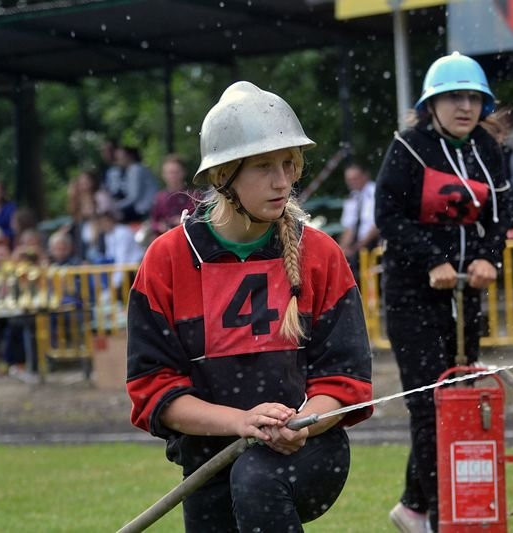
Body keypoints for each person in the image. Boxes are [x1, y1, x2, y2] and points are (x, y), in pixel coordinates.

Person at [126, 81, 373, 533]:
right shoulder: (166, 260)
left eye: (288, 164)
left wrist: (301, 422)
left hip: (307, 448)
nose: (283, 181)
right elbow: (153, 390)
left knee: (256, 478)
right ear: (223, 176)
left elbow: (347, 378)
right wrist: (242, 422)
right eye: (263, 166)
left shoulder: (320, 254)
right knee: (239, 484)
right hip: (209, 457)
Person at [375, 51, 509, 533]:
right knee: (429, 402)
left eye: (473, 97)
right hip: (413, 295)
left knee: (457, 399)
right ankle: (436, 514)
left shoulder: (488, 150)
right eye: (453, 97)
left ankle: (413, 506)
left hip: (465, 295)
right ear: (431, 103)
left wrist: (486, 259)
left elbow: (499, 217)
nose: (465, 107)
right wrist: (432, 260)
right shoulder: (408, 148)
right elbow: (388, 217)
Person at [338, 163, 378, 279]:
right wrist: (341, 250)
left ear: (365, 176)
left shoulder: (376, 192)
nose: (351, 182)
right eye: (349, 179)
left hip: (373, 242)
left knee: (356, 260)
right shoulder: (352, 198)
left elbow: (376, 226)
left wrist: (357, 247)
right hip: (359, 245)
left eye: (355, 178)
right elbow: (349, 228)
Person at [106, 146, 159, 223]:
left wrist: (115, 206)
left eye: (120, 157)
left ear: (130, 156)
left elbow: (133, 197)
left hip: (145, 211)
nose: (118, 160)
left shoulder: (135, 169)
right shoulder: (137, 168)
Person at [149, 153, 196, 235]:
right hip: (165, 237)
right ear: (164, 175)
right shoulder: (159, 198)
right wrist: (160, 226)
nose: (173, 176)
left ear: (184, 173)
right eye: (170, 172)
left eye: (176, 172)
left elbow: (199, 220)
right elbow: (153, 222)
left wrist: (185, 221)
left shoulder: (193, 196)